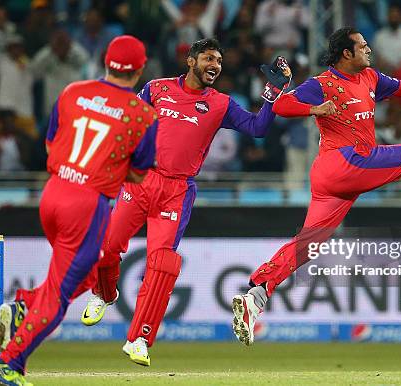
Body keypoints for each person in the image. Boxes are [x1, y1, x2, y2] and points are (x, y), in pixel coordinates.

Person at [231, 27, 401, 346]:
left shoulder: (371, 78)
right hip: (343, 162)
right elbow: (280, 107)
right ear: (346, 53)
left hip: (334, 177)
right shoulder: (322, 84)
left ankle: (257, 294)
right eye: (362, 46)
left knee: (309, 244)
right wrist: (314, 109)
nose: (369, 50)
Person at [79, 38, 288, 366]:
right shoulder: (156, 88)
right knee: (106, 248)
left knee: (161, 263)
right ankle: (104, 293)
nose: (215, 65)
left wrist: (273, 93)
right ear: (191, 61)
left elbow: (258, 128)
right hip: (141, 179)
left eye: (219, 60)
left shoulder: (220, 103)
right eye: (208, 58)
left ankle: (140, 339)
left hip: (176, 190)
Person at [0, 35, 157, 386]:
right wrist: (108, 165)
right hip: (86, 206)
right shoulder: (143, 115)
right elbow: (139, 173)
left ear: (106, 62)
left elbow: (52, 145)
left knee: (87, 274)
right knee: (59, 297)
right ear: (140, 70)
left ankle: (24, 305)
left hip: (52, 194)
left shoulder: (73, 92)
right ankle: (9, 363)